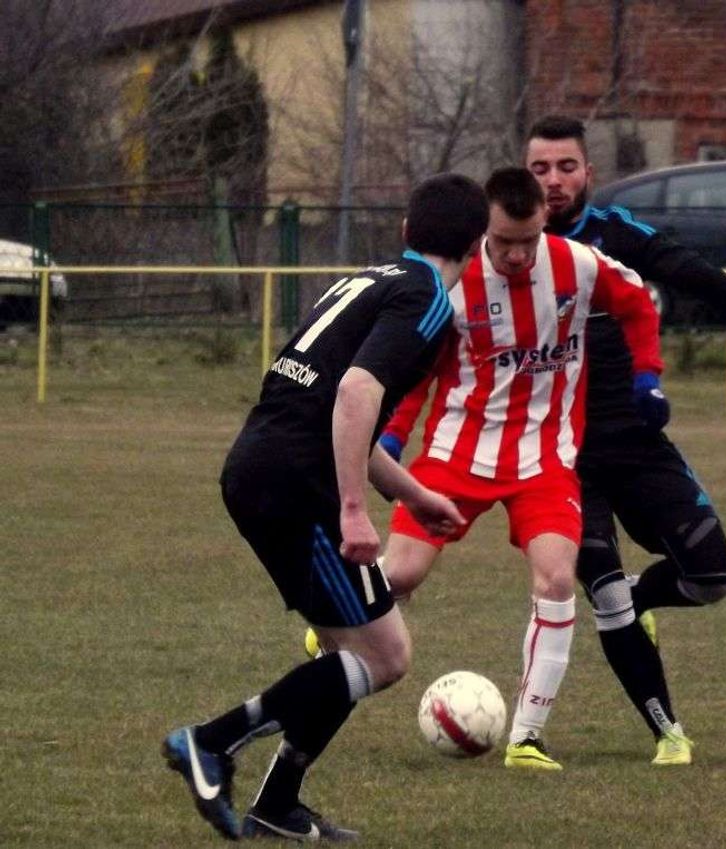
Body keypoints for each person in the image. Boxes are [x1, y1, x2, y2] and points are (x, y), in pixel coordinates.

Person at [162, 173, 489, 842]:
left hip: (262, 464)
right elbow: (355, 394)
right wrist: (353, 510)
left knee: (348, 650)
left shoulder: (370, 279)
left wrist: (411, 494)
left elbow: (338, 412)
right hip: (292, 482)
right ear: (477, 245)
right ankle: (212, 742)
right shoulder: (427, 299)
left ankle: (277, 803)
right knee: (386, 653)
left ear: (406, 228)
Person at [523, 115, 726, 765]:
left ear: (588, 173)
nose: (553, 180)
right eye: (540, 169)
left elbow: (694, 273)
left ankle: (638, 597)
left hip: (634, 438)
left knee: (712, 575)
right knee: (598, 585)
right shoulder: (505, 247)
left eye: (565, 167)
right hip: (559, 456)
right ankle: (668, 732)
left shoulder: (615, 236)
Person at [377, 167, 663, 772]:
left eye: (527, 241)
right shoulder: (450, 282)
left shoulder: (580, 265)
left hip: (546, 458)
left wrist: (647, 376)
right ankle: (342, 617)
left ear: (543, 224)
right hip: (456, 453)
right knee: (399, 576)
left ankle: (526, 737)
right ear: (485, 226)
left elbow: (638, 305)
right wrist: (396, 433)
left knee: (558, 580)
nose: (515, 253)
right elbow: (418, 368)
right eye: (504, 240)